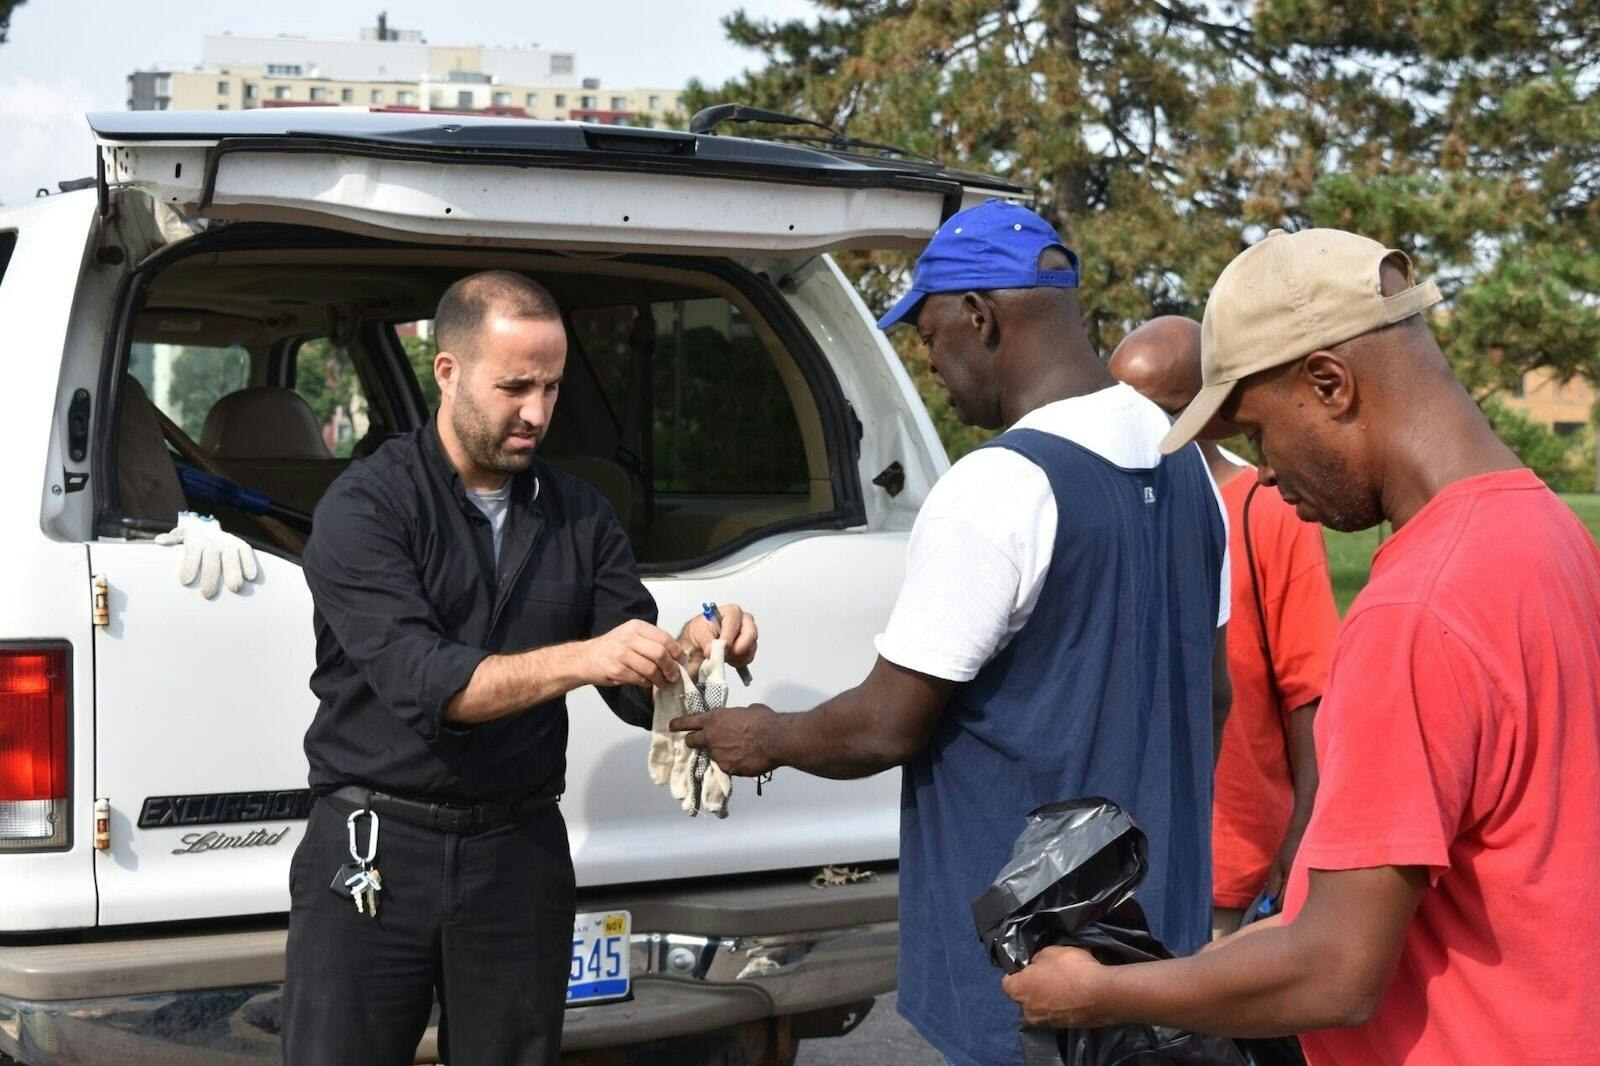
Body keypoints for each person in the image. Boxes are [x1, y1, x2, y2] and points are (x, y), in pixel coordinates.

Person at [1002, 228, 1600, 1064]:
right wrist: (1229, 964)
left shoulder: (1416, 610)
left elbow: (1337, 974)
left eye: (1255, 433)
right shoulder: (1549, 532)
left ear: (1328, 383)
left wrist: (1098, 992)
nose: (1266, 474)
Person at [671, 200, 1229, 1066]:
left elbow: (887, 723)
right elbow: (1213, 694)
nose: (927, 359)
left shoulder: (998, 485)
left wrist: (765, 736)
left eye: (929, 332)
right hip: (1158, 935)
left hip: (1031, 962)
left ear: (981, 316)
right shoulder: (1179, 456)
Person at [282, 270, 757, 1066]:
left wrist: (687, 651)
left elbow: (630, 676)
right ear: (448, 371)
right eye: (515, 387)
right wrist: (585, 656)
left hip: (520, 857)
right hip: (373, 852)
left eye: (552, 387)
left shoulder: (580, 512)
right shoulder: (365, 509)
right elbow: (430, 684)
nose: (537, 412)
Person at [1110, 317, 1339, 937]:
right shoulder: (1104, 510)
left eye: (1154, 407)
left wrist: (1304, 835)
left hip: (1230, 866)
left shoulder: (1267, 510)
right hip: (1117, 859)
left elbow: (1311, 691)